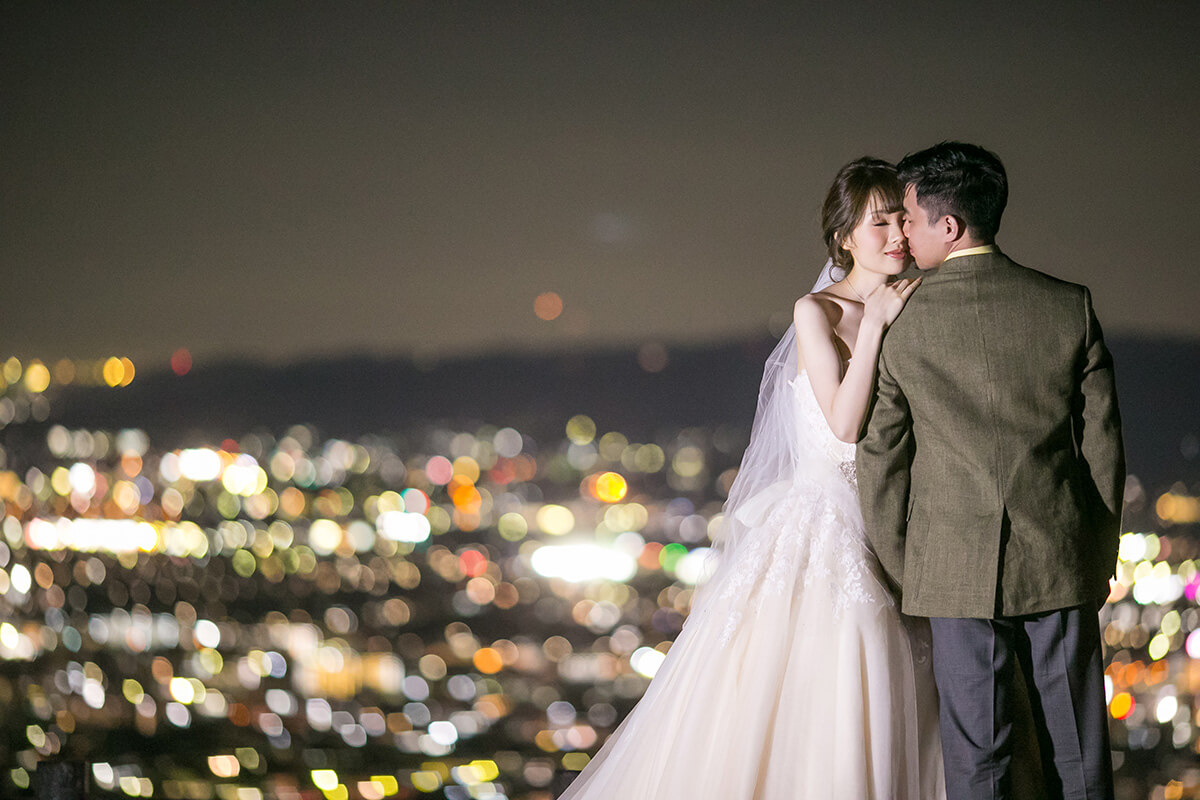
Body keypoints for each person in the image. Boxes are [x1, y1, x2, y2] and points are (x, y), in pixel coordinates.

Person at [557, 157, 944, 800]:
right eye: (881, 222)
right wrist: (874, 325)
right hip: (824, 529)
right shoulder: (816, 311)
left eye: (903, 219)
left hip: (893, 525)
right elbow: (844, 424)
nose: (899, 234)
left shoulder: (916, 306)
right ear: (846, 235)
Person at [856, 142, 1124, 800]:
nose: (904, 235)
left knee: (979, 759)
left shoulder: (901, 319)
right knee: (1078, 750)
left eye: (912, 220)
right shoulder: (1068, 305)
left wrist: (907, 563)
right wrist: (1098, 549)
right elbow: (1104, 444)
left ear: (949, 226)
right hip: (1059, 555)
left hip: (949, 568)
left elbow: (881, 457)